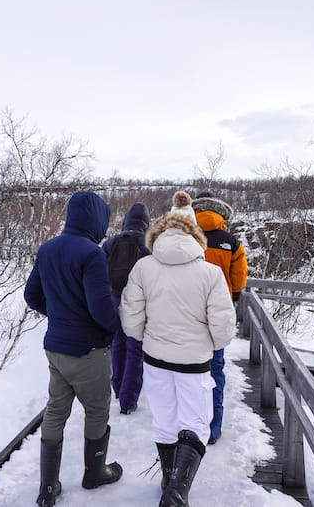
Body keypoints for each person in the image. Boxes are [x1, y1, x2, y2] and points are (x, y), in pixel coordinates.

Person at [120, 209, 236, 507]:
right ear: (196, 239)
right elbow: (223, 326)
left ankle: (167, 479)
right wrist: (209, 343)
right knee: (196, 423)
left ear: (157, 237)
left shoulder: (143, 267)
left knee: (164, 419)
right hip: (195, 363)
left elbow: (131, 316)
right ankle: (177, 491)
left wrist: (144, 336)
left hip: (155, 358)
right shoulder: (210, 272)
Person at [23, 191, 124, 507]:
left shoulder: (48, 248)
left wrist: (60, 315)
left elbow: (31, 295)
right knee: (96, 410)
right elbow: (100, 308)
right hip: (88, 351)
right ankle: (95, 473)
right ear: (95, 219)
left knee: (55, 411)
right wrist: (115, 327)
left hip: (56, 348)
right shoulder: (91, 254)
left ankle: (48, 489)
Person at [192, 191, 248, 445]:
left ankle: (190, 424)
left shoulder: (185, 237)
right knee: (215, 369)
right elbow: (239, 278)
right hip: (217, 313)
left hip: (188, 313)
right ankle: (213, 428)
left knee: (187, 371)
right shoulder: (231, 242)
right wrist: (232, 297)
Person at [102, 202, 151, 414]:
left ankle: (118, 387)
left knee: (117, 344)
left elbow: (100, 272)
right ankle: (128, 400)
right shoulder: (147, 244)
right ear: (146, 223)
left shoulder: (110, 243)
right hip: (137, 302)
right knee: (135, 348)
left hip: (113, 298)